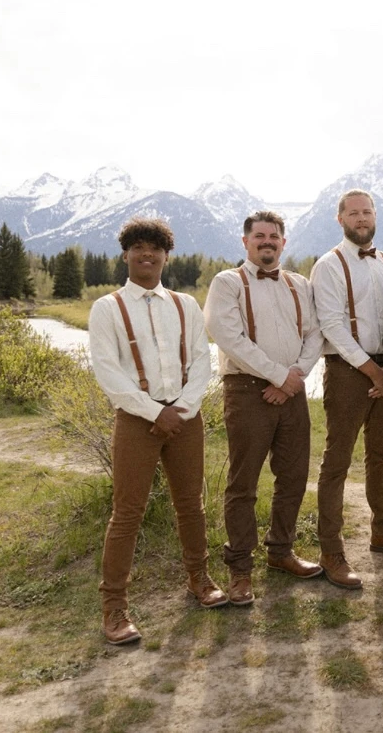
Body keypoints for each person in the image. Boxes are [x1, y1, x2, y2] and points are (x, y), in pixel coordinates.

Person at [89, 218, 227, 646]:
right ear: (126, 254)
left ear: (167, 255)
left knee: (192, 504)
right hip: (136, 420)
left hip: (185, 417)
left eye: (155, 248)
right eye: (138, 247)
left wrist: (182, 409)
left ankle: (199, 579)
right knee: (127, 512)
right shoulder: (107, 307)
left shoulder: (185, 304)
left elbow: (203, 362)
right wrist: (154, 412)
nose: (146, 254)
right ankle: (114, 608)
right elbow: (109, 373)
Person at [204, 210, 323, 606]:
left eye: (274, 236)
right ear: (246, 242)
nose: (267, 241)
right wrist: (277, 376)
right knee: (244, 483)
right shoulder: (227, 283)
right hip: (246, 389)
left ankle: (281, 551)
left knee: (292, 475)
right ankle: (240, 569)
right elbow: (227, 335)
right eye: (260, 236)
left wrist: (294, 377)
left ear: (283, 242)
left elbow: (314, 334)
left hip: (291, 390)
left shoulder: (299, 284)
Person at [310, 189, 383, 590]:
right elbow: (331, 326)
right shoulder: (327, 266)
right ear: (340, 218)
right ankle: (331, 549)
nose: (361, 219)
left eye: (367, 212)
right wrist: (371, 370)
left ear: (375, 216)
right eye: (353, 213)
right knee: (337, 462)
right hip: (349, 369)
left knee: (381, 455)